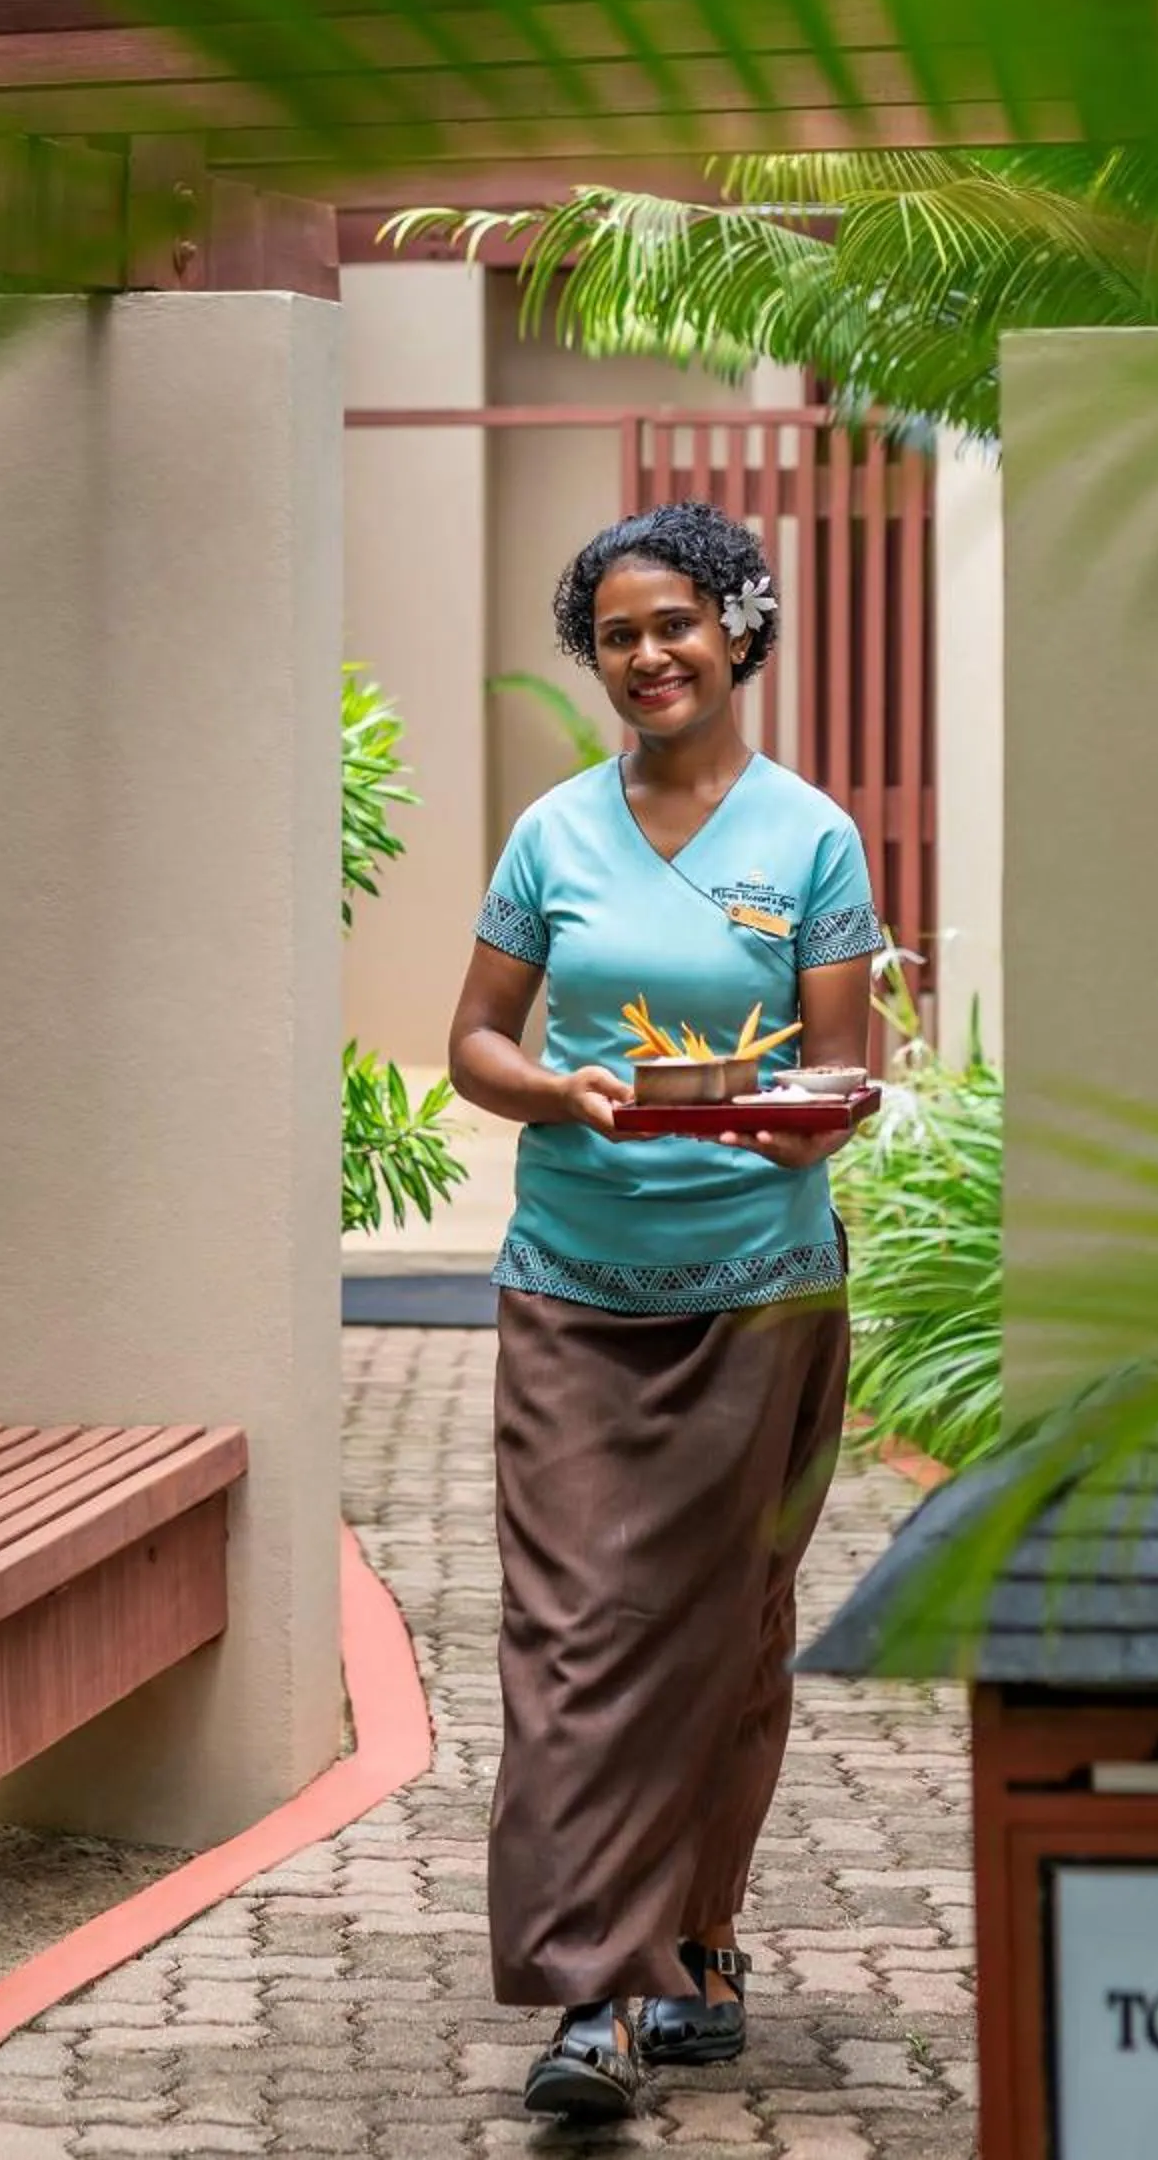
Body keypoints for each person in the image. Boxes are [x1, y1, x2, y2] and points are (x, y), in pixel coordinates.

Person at [447, 501, 882, 2124]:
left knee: (722, 1632)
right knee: (575, 1638)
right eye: (618, 635)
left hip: (757, 1295)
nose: (647, 656)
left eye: (675, 625)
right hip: (569, 1286)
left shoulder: (808, 839)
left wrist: (774, 1110)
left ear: (737, 632)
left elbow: (846, 1083)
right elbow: (473, 1044)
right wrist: (553, 1086)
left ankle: (697, 1940)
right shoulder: (552, 835)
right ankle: (595, 2000)